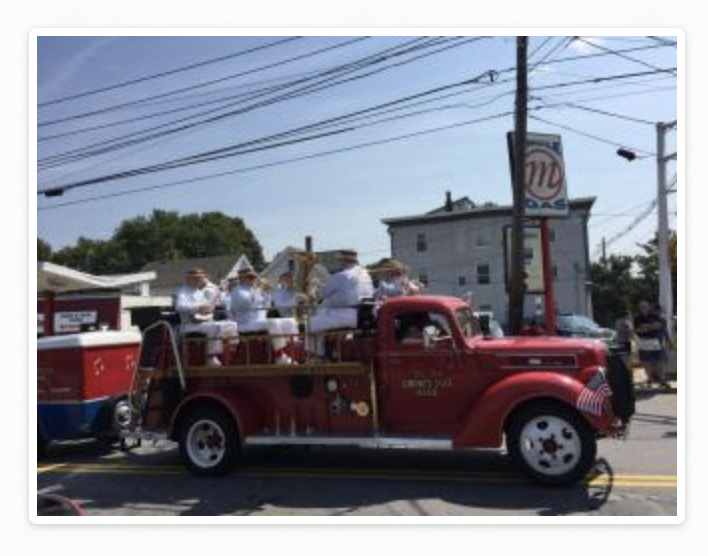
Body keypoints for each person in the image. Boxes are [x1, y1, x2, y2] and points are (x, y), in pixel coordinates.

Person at [308, 249, 374, 357]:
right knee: (321, 316)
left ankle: (318, 356)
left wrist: (313, 286)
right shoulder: (366, 274)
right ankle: (331, 352)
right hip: (363, 314)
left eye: (339, 261)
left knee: (309, 324)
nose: (338, 263)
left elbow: (319, 295)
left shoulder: (342, 275)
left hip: (346, 314)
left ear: (343, 261)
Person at [228, 267, 299, 364]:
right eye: (249, 277)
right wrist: (259, 290)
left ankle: (293, 351)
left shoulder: (254, 289)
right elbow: (246, 304)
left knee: (290, 321)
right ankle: (280, 355)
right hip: (245, 322)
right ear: (241, 278)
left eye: (253, 277)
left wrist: (266, 293)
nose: (252, 279)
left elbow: (266, 307)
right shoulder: (237, 291)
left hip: (258, 321)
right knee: (272, 323)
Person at [175, 268, 239, 367]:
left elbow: (208, 307)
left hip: (201, 321)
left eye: (200, 278)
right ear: (188, 279)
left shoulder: (199, 291)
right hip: (188, 325)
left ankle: (232, 353)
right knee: (215, 327)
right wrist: (197, 308)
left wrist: (208, 310)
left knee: (232, 324)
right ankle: (210, 356)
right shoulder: (183, 291)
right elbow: (179, 307)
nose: (199, 280)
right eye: (196, 278)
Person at [633, 300, 670, 388]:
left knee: (659, 361)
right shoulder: (637, 318)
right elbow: (637, 330)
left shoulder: (654, 316)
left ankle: (662, 380)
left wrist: (645, 327)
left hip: (655, 341)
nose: (643, 308)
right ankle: (649, 379)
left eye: (645, 306)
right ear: (639, 308)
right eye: (641, 307)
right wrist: (650, 326)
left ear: (649, 307)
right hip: (643, 341)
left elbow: (659, 325)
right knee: (646, 362)